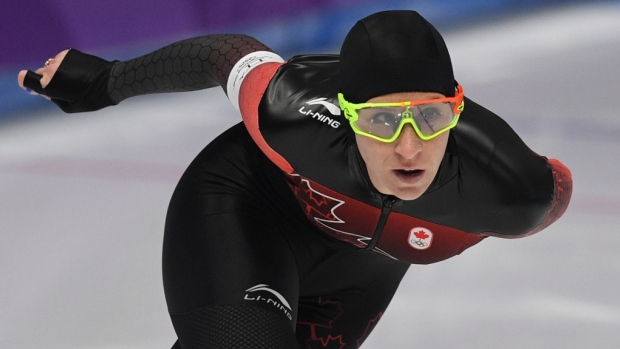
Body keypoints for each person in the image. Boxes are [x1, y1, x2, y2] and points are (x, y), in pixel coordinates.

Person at [17, 10, 572, 349]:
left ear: (456, 108)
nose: (408, 147)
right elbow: (225, 54)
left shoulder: (515, 191)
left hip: (361, 269)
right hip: (247, 210)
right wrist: (107, 82)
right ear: (347, 115)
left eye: (430, 118)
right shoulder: (292, 108)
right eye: (380, 121)